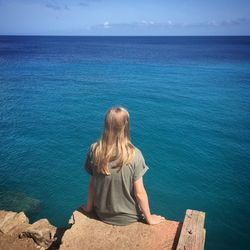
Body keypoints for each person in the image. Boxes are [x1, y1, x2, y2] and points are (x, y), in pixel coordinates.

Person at [82, 107, 166, 226]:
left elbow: (92, 184)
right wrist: (149, 219)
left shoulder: (95, 150)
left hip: (102, 214)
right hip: (129, 218)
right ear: (126, 126)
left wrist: (89, 208)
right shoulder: (135, 155)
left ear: (106, 124)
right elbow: (140, 193)